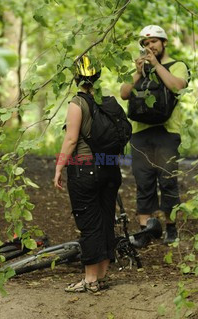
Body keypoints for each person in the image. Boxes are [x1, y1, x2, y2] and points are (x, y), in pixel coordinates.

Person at [53, 55, 122, 293]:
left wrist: (59, 166)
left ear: (76, 77)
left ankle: (90, 280)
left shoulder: (77, 103)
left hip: (85, 169)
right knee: (105, 220)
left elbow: (71, 138)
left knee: (90, 222)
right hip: (111, 167)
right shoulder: (107, 101)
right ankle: (101, 276)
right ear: (98, 75)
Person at [120, 25, 190, 247]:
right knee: (144, 181)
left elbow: (177, 86)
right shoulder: (141, 70)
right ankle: (145, 231)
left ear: (164, 42)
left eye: (154, 42)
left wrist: (157, 65)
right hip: (140, 132)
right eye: (146, 44)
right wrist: (139, 71)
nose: (150, 46)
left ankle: (170, 228)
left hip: (167, 132)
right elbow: (124, 93)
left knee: (167, 181)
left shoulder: (177, 65)